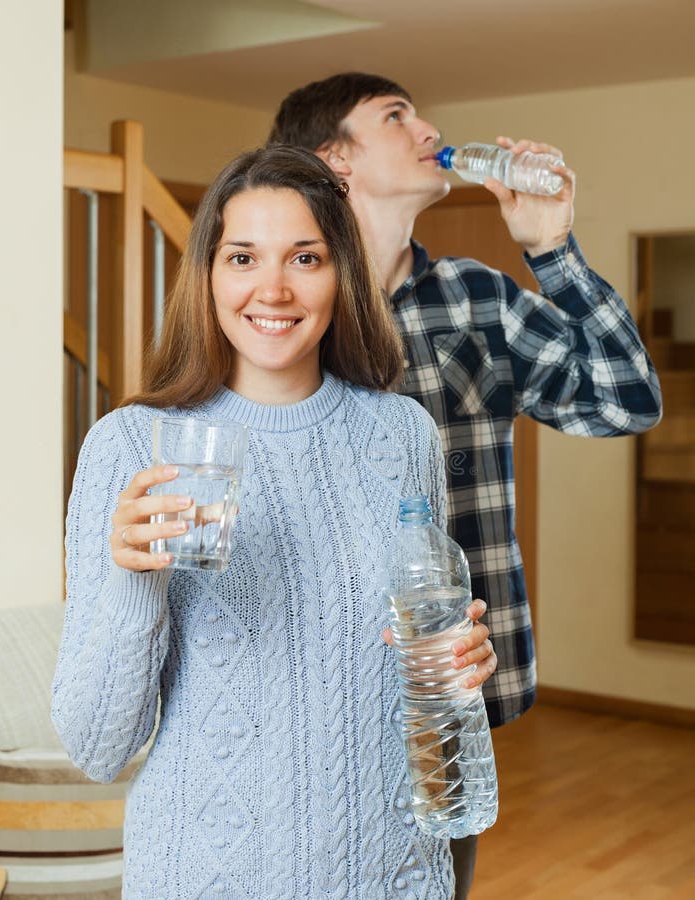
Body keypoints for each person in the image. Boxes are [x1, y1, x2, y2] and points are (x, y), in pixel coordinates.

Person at [52, 145, 497, 899]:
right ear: (208, 274)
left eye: (305, 258)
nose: (273, 288)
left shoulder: (402, 435)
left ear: (341, 275)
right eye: (242, 257)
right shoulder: (132, 445)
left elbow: (408, 664)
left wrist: (455, 665)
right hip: (207, 876)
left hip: (389, 874)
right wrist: (133, 583)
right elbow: (98, 748)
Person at [268, 72, 663, 896]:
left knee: (435, 880)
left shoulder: (477, 300)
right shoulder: (283, 304)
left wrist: (552, 249)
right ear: (334, 160)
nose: (428, 127)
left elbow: (629, 400)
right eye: (395, 115)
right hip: (305, 672)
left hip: (447, 678)